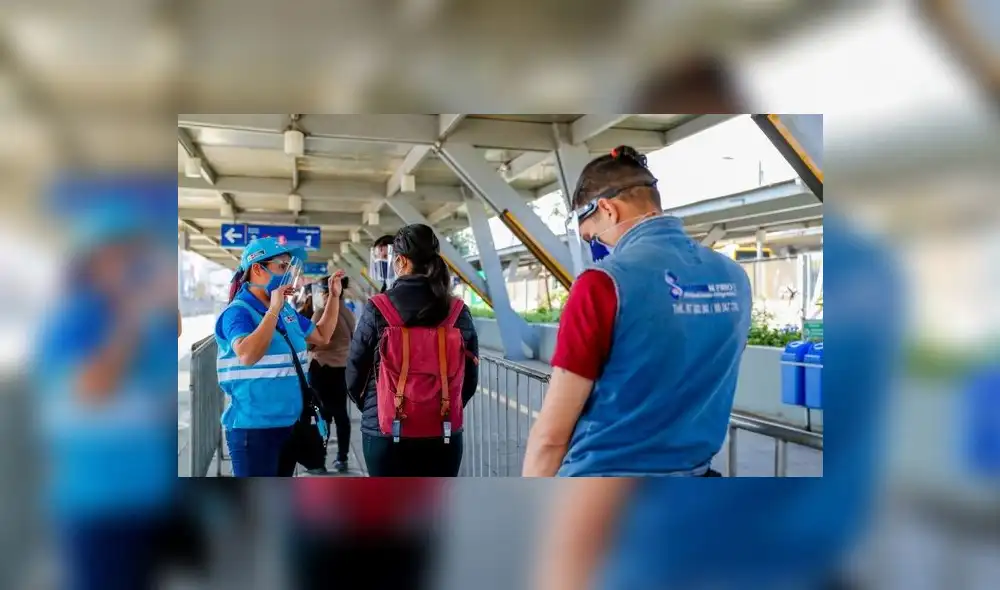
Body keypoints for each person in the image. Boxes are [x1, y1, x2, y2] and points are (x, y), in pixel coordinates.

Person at [523, 145, 752, 478]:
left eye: (591, 237)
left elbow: (551, 438)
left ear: (607, 209)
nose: (597, 247)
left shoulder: (601, 284)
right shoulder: (734, 277)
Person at [36, 206, 180, 589]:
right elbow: (93, 388)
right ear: (91, 263)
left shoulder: (151, 323)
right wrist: (133, 314)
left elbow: (165, 394)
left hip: (146, 497)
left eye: (133, 255)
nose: (128, 266)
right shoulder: (72, 319)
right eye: (115, 255)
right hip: (95, 502)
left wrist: (162, 306)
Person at [346, 224, 479, 477]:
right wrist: (439, 406)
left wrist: (377, 405)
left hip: (384, 433)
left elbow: (355, 370)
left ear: (401, 261)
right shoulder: (457, 311)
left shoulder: (378, 308)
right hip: (443, 431)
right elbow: (470, 377)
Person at [214, 236, 345, 477]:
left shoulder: (286, 311)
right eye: (282, 266)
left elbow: (322, 335)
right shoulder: (238, 313)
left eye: (289, 267)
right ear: (257, 269)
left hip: (290, 426)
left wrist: (334, 298)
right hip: (254, 430)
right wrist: (273, 309)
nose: (287, 274)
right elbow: (247, 354)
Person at [306, 275, 357, 472]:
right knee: (341, 414)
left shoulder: (321, 313)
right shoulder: (349, 313)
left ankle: (320, 459)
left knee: (321, 414)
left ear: (325, 292)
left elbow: (310, 343)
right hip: (342, 369)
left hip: (321, 368)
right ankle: (342, 458)